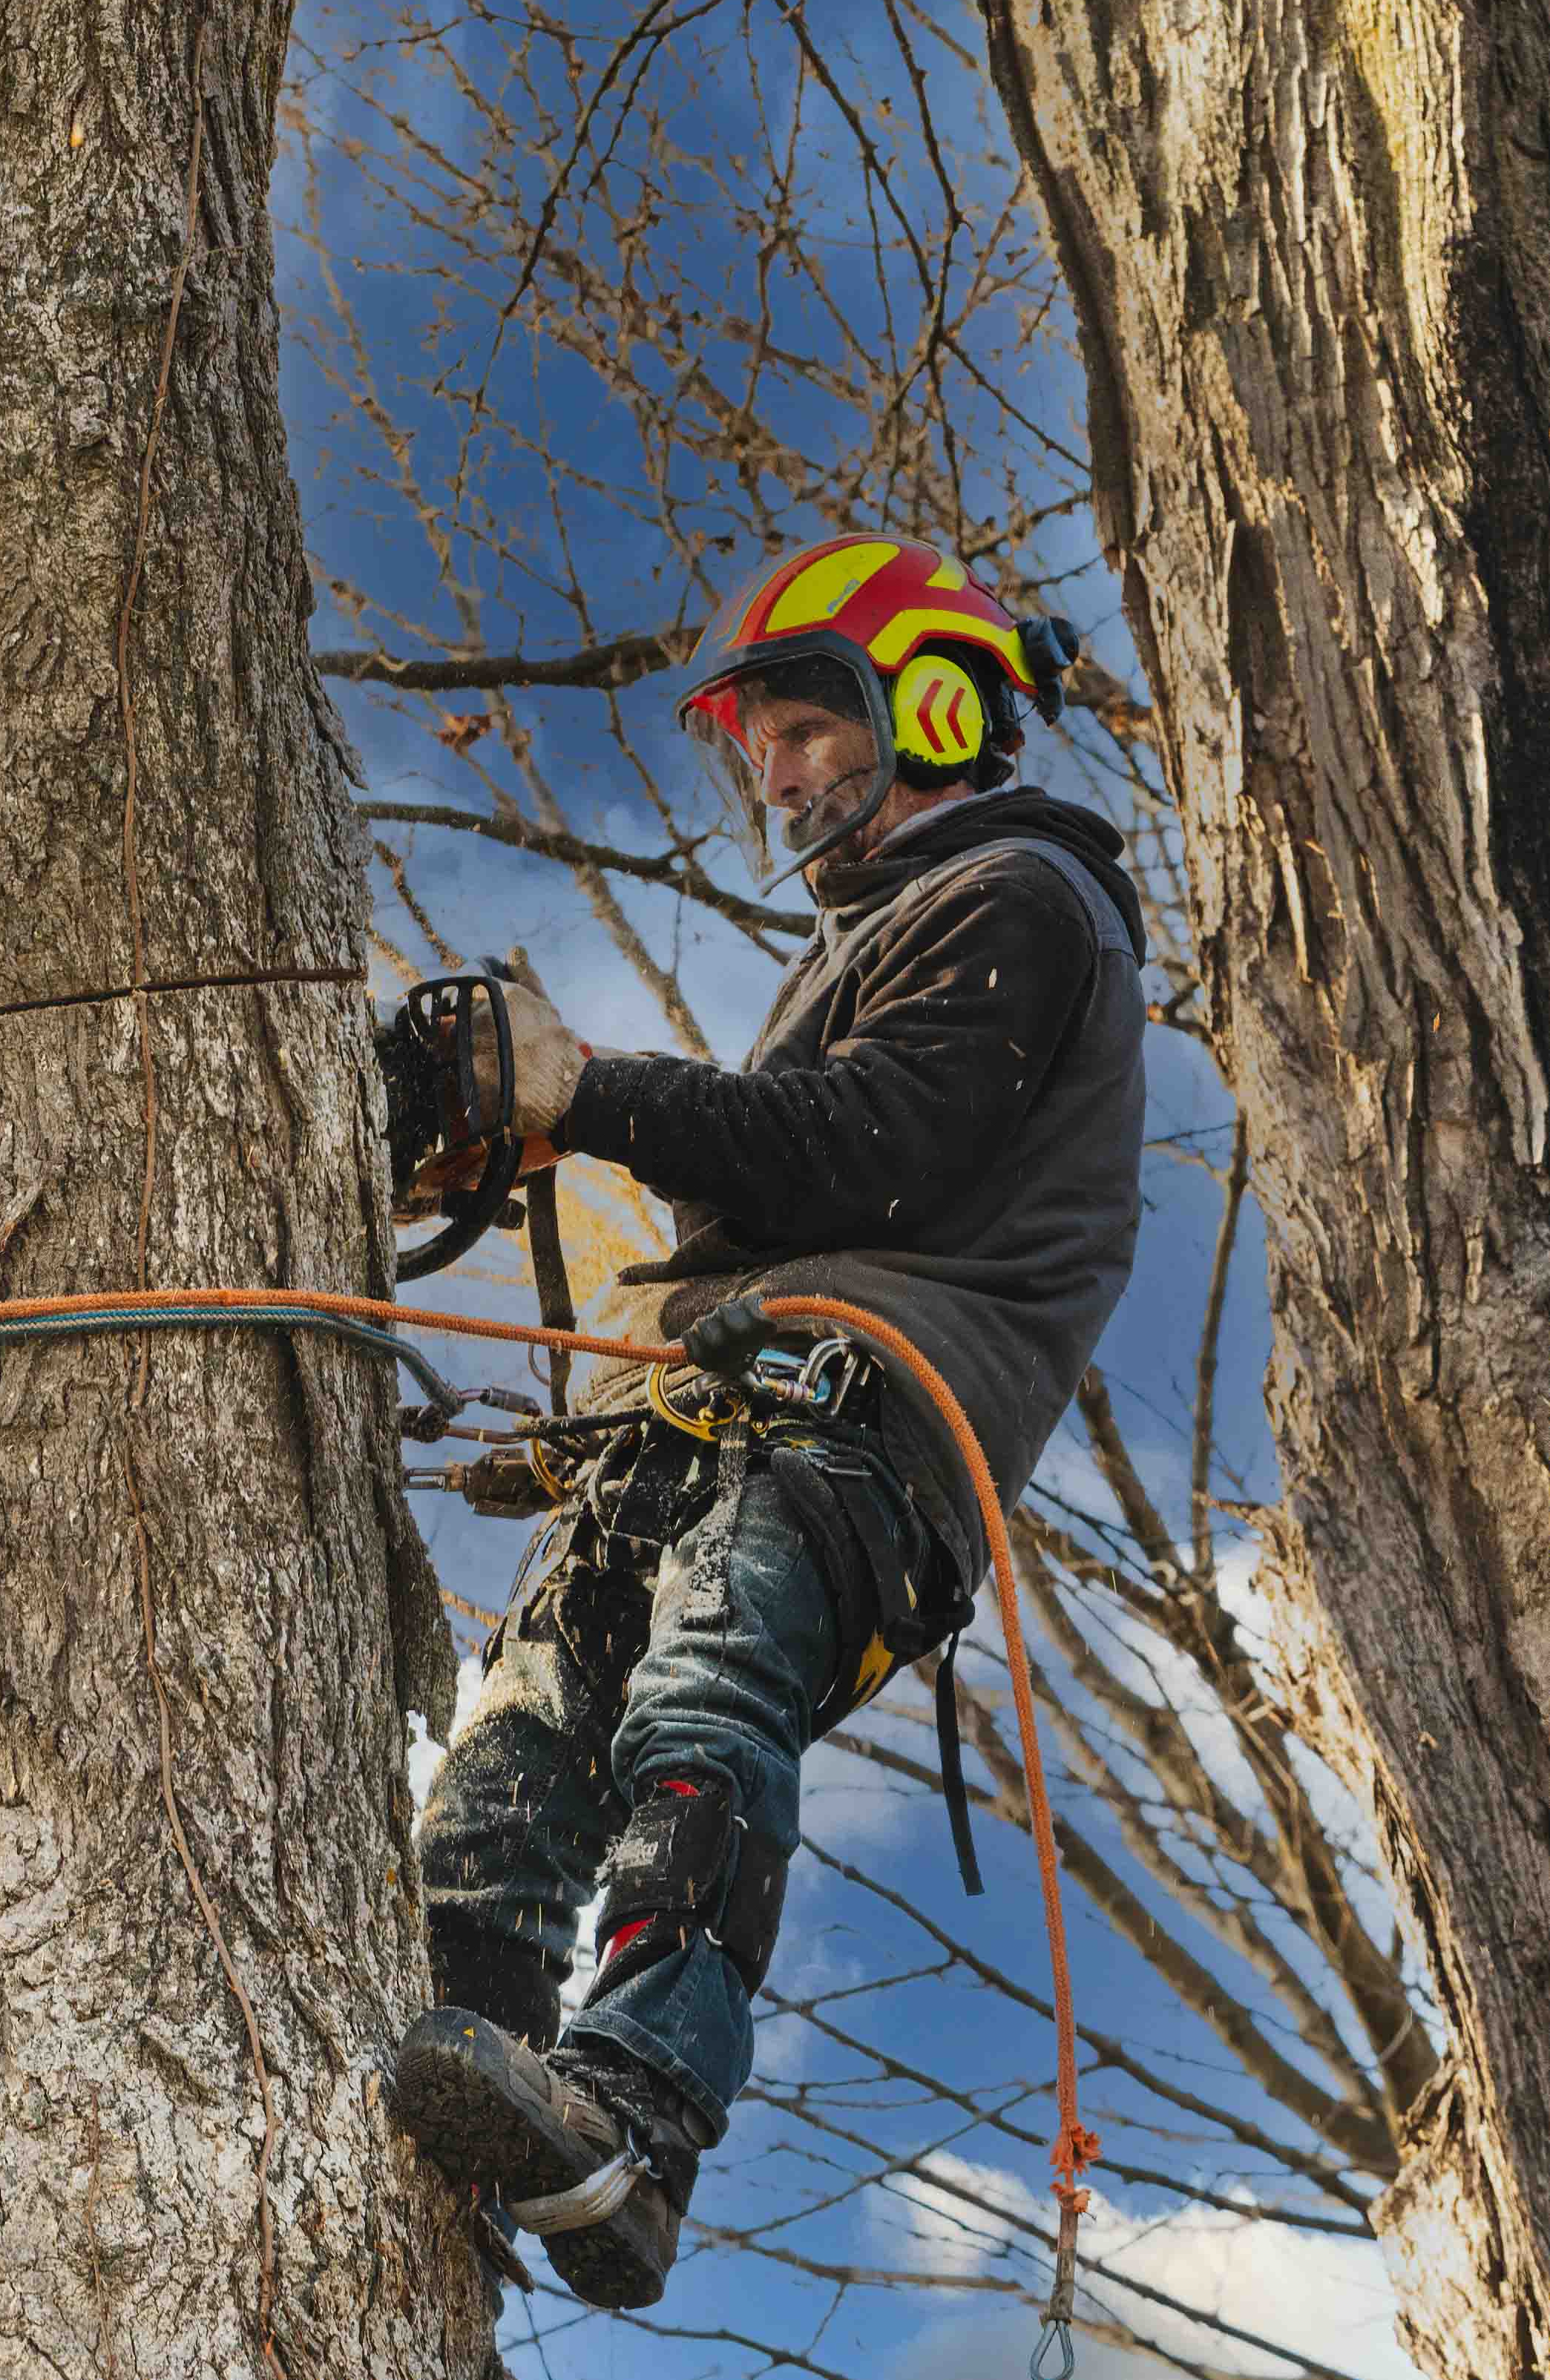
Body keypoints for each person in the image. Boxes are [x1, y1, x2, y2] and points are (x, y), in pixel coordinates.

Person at [391, 533, 1149, 2311]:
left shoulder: (1017, 902)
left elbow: (867, 1154)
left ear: (937, 705)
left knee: (701, 1697)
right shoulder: (876, 936)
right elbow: (772, 1178)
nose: (781, 774)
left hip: (858, 1419)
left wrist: (587, 1096)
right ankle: (452, 2060)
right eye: (764, 748)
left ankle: (636, 2124)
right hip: (707, 1410)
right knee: (512, 1758)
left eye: (808, 729)